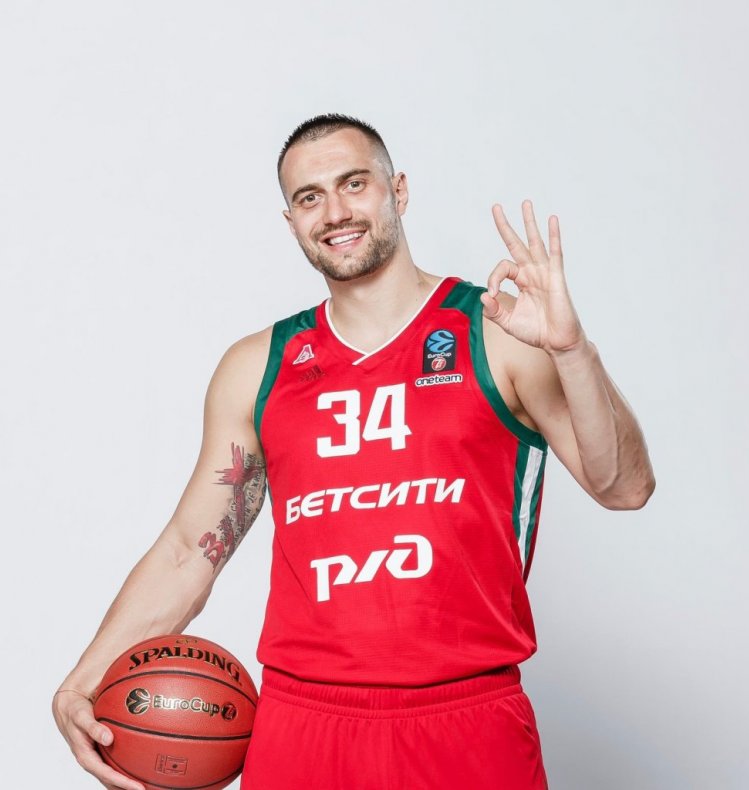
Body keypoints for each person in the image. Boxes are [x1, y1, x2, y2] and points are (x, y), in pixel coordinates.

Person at [53, 114, 655, 790]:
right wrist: (83, 680)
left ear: (398, 190)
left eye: (354, 183)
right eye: (310, 197)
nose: (336, 212)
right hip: (302, 723)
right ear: (291, 222)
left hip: (466, 715)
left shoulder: (497, 331)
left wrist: (573, 350)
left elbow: (624, 486)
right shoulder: (258, 367)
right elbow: (191, 549)